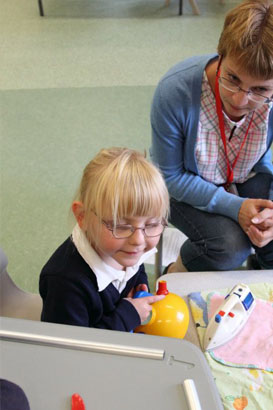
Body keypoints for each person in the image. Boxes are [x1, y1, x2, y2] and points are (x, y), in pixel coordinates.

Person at [150, 0, 273, 272]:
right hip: (184, 184)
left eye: (261, 90)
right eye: (232, 78)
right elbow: (169, 177)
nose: (241, 99)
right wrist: (235, 206)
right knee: (228, 247)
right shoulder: (175, 92)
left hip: (245, 173)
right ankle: (175, 272)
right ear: (220, 54)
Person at [39, 148, 169, 331]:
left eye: (152, 224)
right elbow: (71, 349)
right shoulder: (65, 282)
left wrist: (141, 284)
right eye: (121, 226)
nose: (139, 240)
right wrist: (127, 316)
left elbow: (136, 268)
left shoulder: (125, 248)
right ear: (82, 216)